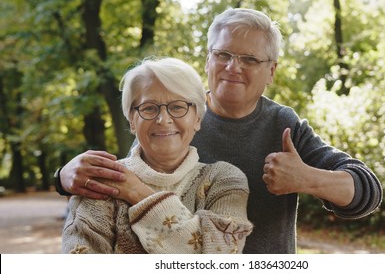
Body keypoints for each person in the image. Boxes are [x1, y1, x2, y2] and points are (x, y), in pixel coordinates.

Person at [55, 8, 382, 254]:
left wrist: (307, 178)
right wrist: (63, 178)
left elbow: (367, 191)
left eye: (250, 59)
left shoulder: (284, 125)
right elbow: (126, 188)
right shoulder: (174, 119)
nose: (232, 67)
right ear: (208, 60)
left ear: (271, 71)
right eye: (223, 54)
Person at [61, 57, 253, 254]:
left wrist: (137, 192)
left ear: (197, 118)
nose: (163, 119)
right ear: (132, 121)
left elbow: (222, 257)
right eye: (149, 108)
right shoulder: (101, 182)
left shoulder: (224, 180)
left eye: (178, 107)